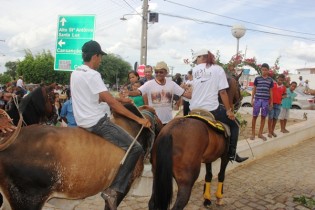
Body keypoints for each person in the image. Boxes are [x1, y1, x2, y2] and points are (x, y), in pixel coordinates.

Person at [70, 40, 151, 210]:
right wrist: (138, 120)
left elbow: (97, 97)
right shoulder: (93, 74)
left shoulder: (76, 73)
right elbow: (113, 105)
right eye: (100, 57)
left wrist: (120, 99)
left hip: (81, 121)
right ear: (95, 56)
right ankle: (114, 189)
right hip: (97, 122)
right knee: (136, 148)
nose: (101, 61)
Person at [189, 49, 248, 163]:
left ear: (202, 57)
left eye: (196, 59)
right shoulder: (218, 69)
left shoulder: (194, 70)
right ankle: (232, 154)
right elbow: (222, 92)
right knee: (235, 124)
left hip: (194, 109)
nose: (196, 62)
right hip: (212, 109)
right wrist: (229, 111)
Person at [250, 63, 274, 141]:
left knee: (263, 117)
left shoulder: (270, 80)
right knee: (254, 116)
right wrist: (252, 99)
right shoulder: (257, 79)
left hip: (265, 101)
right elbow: (254, 89)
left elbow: (271, 91)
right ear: (261, 70)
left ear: (268, 71)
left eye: (266, 70)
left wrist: (271, 102)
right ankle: (253, 133)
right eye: (263, 70)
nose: (264, 71)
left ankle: (260, 134)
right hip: (257, 100)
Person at [267, 74, 286, 138]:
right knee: (270, 118)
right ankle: (269, 131)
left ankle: (272, 131)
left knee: (275, 118)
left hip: (278, 104)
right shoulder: (273, 85)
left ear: (283, 81)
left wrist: (282, 97)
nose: (280, 81)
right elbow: (269, 92)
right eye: (279, 79)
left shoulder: (283, 87)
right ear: (277, 79)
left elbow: (284, 95)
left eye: (281, 80)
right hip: (271, 103)